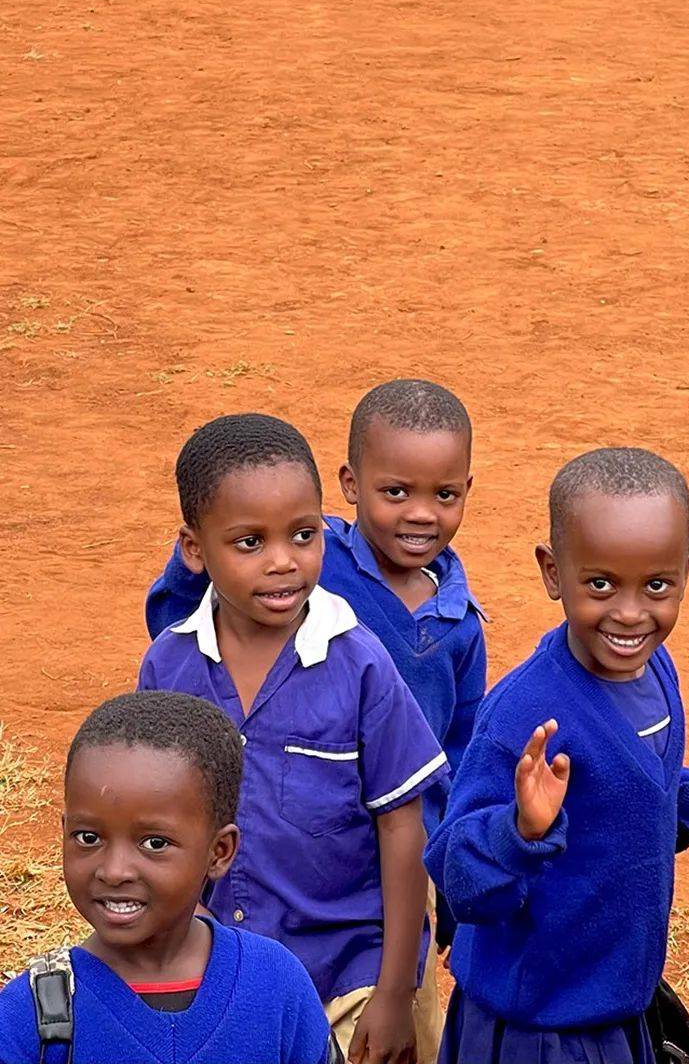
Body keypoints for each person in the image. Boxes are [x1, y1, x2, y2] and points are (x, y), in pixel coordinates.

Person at [426, 448, 689, 1063]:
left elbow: (639, 784)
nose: (630, 614)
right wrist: (520, 830)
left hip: (618, 1001)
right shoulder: (525, 717)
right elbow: (454, 873)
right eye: (599, 584)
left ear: (686, 569)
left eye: (657, 586)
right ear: (553, 572)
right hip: (536, 1026)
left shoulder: (653, 668)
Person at [138, 413, 450, 1064]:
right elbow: (155, 822)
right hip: (225, 972)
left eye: (303, 535)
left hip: (353, 971)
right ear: (195, 550)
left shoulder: (359, 664)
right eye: (249, 542)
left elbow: (401, 823)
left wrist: (396, 990)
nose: (284, 561)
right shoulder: (169, 667)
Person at [0, 691, 335, 1064]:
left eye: (154, 843)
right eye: (88, 838)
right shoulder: (32, 1018)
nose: (114, 871)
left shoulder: (274, 985)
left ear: (219, 852)